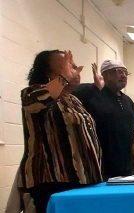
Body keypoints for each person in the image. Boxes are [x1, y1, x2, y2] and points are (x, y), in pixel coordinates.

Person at [19, 50, 102, 213]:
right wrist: (63, 78)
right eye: (67, 65)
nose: (75, 68)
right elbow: (39, 101)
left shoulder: (73, 99)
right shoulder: (31, 93)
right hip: (54, 180)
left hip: (84, 180)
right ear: (48, 73)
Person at [72, 60, 134, 179]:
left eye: (125, 73)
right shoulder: (92, 96)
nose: (123, 75)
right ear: (105, 74)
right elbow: (69, 94)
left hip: (126, 166)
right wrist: (95, 86)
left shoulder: (129, 102)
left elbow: (130, 133)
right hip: (101, 165)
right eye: (118, 71)